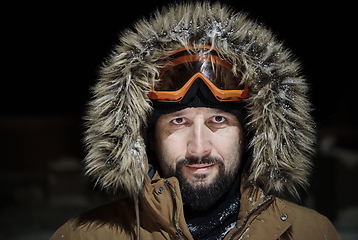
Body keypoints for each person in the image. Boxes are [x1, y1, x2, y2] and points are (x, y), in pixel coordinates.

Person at [51, 2, 341, 240]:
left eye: (218, 119)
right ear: (147, 136)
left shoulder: (310, 233)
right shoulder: (84, 236)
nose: (198, 148)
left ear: (250, 134)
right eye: (178, 121)